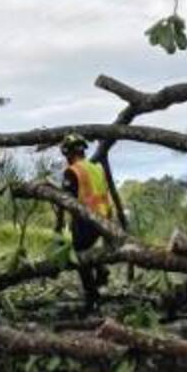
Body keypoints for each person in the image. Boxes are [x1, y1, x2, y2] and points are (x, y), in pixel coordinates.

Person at [56, 133, 113, 313]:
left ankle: (92, 299)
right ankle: (101, 270)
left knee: (81, 259)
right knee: (87, 253)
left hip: (86, 220)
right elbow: (105, 195)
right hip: (103, 219)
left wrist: (59, 226)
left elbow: (67, 201)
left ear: (67, 153)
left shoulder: (72, 171)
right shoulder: (96, 168)